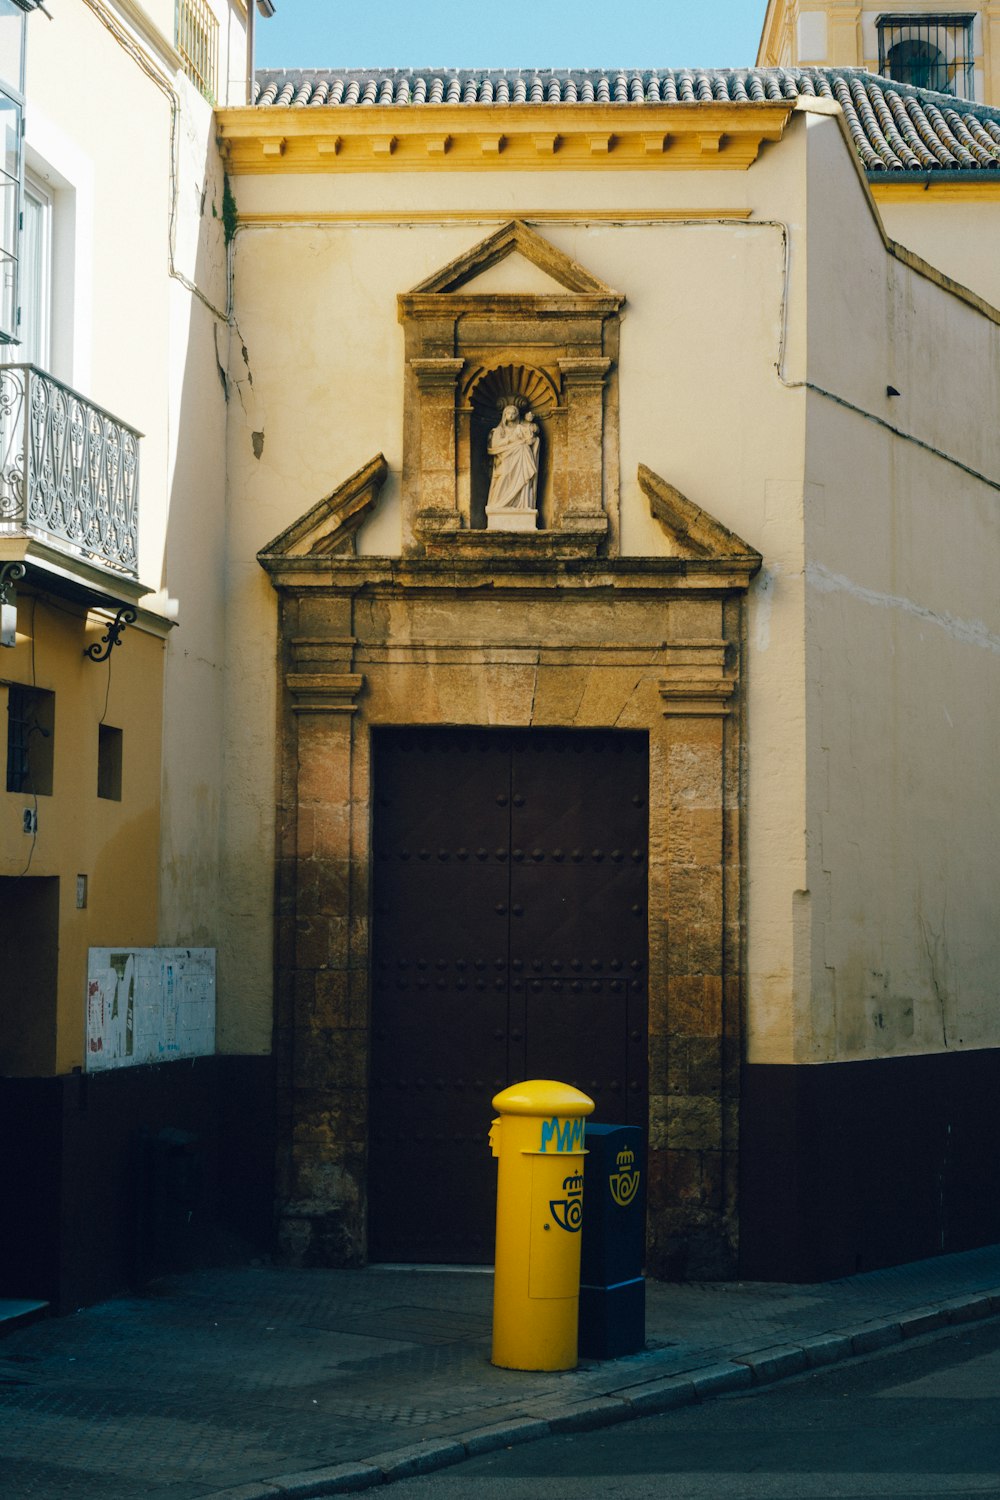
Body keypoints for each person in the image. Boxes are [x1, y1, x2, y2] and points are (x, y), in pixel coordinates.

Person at [487, 403, 539, 511]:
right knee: (505, 474)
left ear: (517, 415)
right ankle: (498, 504)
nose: (511, 415)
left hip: (520, 456)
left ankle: (520, 503)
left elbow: (531, 437)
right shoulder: (499, 430)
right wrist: (510, 440)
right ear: (504, 415)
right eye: (508, 413)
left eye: (513, 413)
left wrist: (532, 430)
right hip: (504, 457)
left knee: (523, 448)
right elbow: (495, 445)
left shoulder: (520, 428)